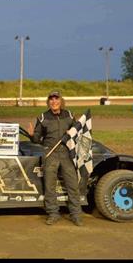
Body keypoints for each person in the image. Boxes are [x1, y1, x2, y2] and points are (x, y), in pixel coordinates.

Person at [28, 90, 83, 226]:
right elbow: (36, 139)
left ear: (61, 101)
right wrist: (31, 135)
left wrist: (71, 133)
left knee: (72, 185)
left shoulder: (69, 115)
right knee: (49, 186)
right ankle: (53, 213)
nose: (54, 101)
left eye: (56, 99)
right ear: (49, 102)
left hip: (66, 154)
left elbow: (77, 135)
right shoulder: (42, 117)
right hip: (50, 154)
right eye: (51, 99)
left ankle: (76, 214)